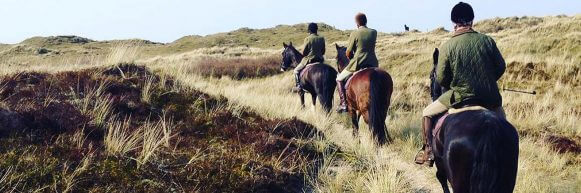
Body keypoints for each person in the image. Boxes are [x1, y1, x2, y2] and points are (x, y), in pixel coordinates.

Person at [414, 2, 507, 166]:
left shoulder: (447, 46)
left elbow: (442, 78)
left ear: (454, 22)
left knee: (426, 113)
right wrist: (487, 80)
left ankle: (428, 152)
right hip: (489, 97)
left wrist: (455, 84)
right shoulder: (487, 41)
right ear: (472, 20)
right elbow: (500, 67)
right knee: (505, 127)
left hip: (459, 97)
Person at [336, 13, 378, 113]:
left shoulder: (355, 33)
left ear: (357, 23)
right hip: (373, 62)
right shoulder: (374, 32)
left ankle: (343, 104)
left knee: (339, 79)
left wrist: (351, 57)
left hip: (358, 63)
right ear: (366, 21)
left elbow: (348, 52)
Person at [292, 23, 326, 92]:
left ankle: (298, 86)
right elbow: (323, 52)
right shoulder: (322, 38)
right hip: (320, 61)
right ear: (317, 30)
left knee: (296, 71)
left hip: (309, 60)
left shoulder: (307, 39)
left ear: (309, 31)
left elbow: (304, 53)